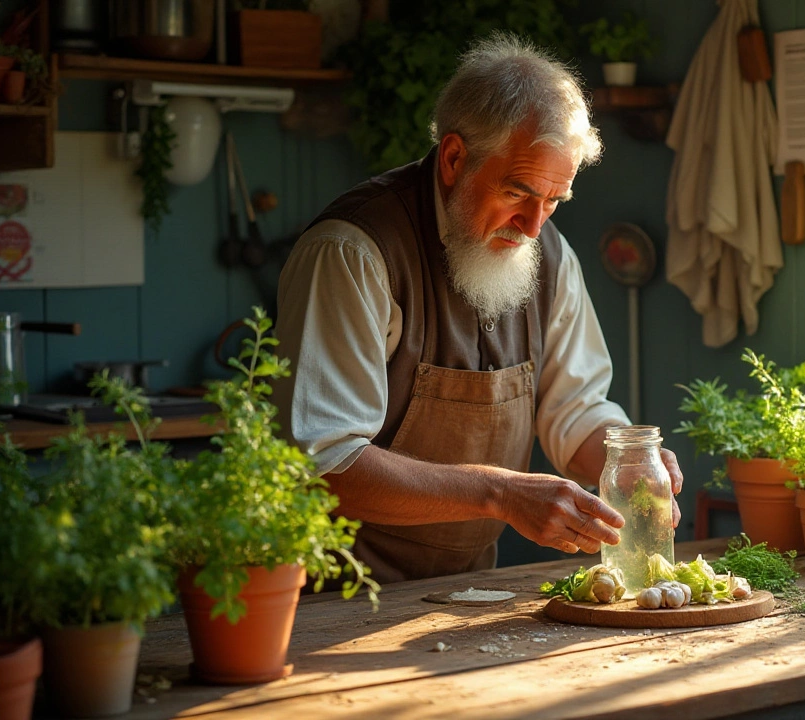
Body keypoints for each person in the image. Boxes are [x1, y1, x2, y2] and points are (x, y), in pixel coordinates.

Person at [272, 34, 683, 584]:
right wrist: (502, 493)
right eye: (518, 193)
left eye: (553, 200)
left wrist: (627, 460)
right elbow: (324, 464)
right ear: (454, 157)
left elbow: (576, 409)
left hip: (464, 593)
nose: (536, 226)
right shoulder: (354, 253)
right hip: (334, 596)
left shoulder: (550, 255)